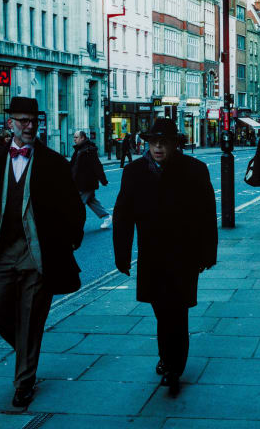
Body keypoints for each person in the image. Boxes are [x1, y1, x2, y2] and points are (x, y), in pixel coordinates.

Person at [0, 97, 86, 409]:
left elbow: (74, 207)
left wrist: (71, 238)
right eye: (22, 120)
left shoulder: (54, 162)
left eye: (33, 120)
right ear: (10, 124)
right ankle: (26, 353)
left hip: (38, 253)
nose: (29, 126)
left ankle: (24, 383)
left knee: (31, 318)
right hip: (1, 251)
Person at [113, 118, 217, 397]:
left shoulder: (195, 170)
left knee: (177, 309)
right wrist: (122, 255)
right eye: (153, 142)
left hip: (185, 254)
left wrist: (208, 252)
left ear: (175, 144)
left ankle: (174, 366)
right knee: (161, 309)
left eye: (164, 142)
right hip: (153, 254)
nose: (158, 147)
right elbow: (123, 215)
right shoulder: (134, 172)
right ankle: (166, 356)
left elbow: (207, 214)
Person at [70, 131, 113, 229]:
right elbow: (73, 165)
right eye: (74, 137)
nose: (74, 139)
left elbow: (97, 166)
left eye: (76, 137)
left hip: (86, 183)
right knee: (92, 201)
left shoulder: (89, 150)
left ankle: (73, 225)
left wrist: (103, 180)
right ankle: (107, 216)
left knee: (77, 204)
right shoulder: (79, 149)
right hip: (79, 182)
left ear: (82, 138)